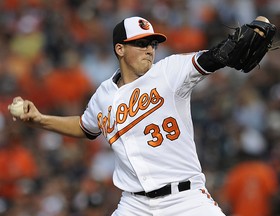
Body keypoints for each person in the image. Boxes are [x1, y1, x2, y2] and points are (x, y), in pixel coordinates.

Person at [8, 16, 258, 215]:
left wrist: (226, 51)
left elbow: (210, 58)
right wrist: (39, 119)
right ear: (120, 49)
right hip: (134, 205)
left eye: (152, 44)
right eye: (141, 43)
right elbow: (85, 127)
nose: (149, 49)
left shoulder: (169, 72)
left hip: (186, 199)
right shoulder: (103, 94)